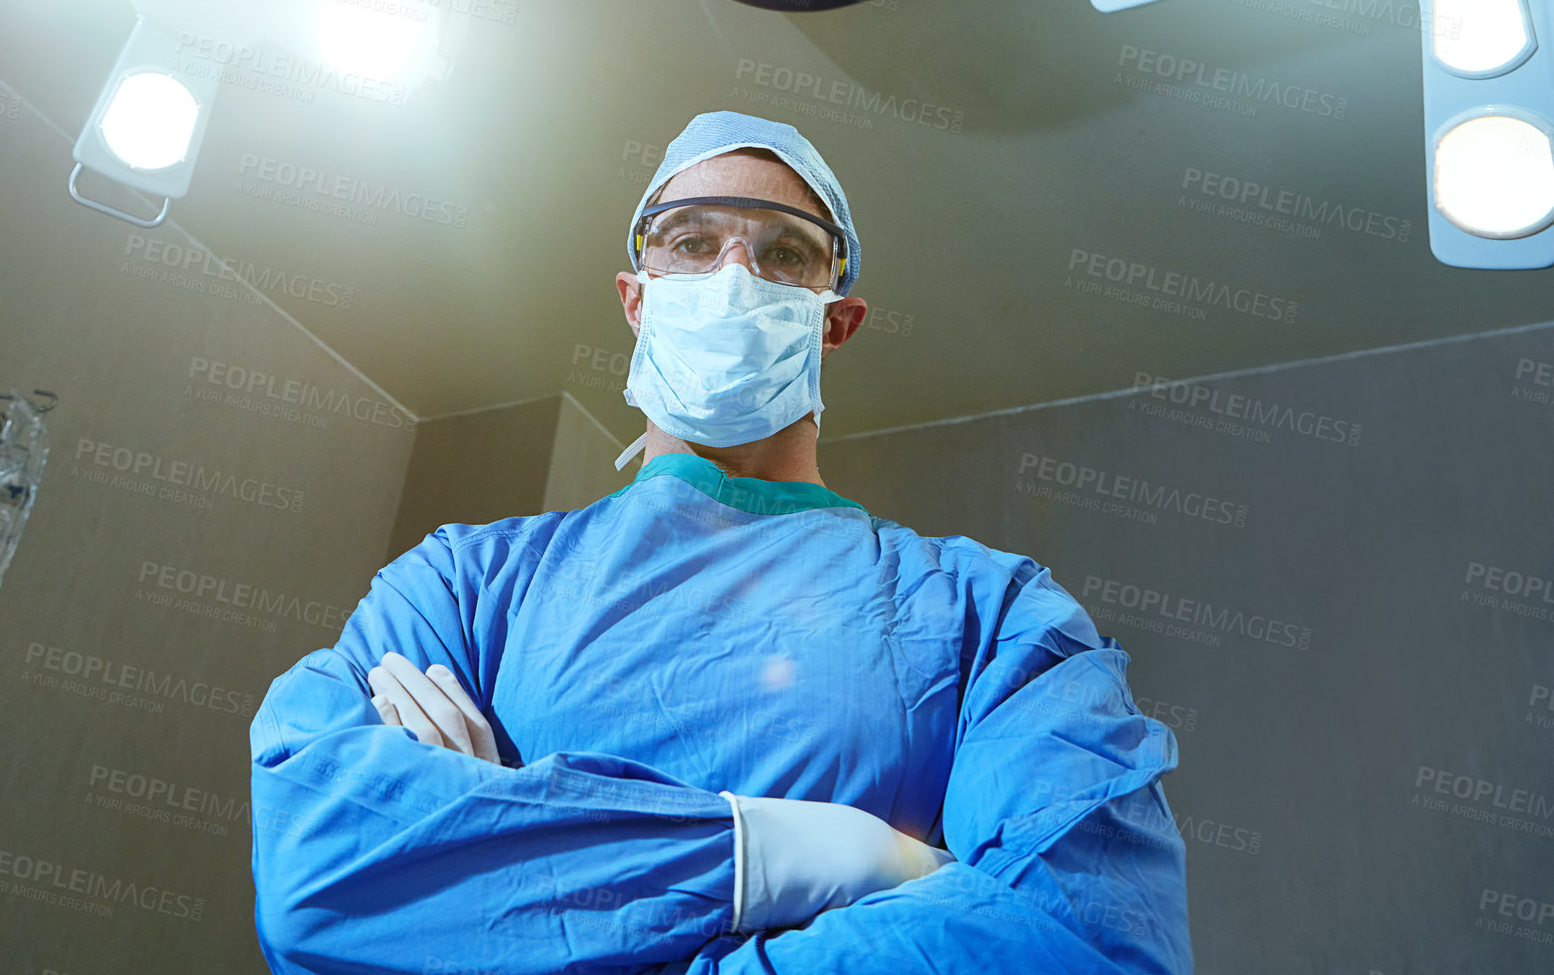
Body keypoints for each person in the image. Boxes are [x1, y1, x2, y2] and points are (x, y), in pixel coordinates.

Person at [249, 111, 1193, 974]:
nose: (733, 278)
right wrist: (805, 855)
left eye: (785, 254)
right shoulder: (460, 589)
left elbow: (1083, 942)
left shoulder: (990, 618)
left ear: (835, 321)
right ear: (636, 297)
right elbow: (321, 870)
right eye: (692, 243)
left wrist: (512, 863)